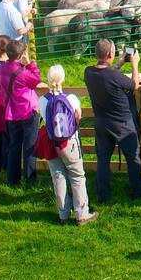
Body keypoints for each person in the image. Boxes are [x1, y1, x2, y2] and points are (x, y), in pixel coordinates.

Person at [84, 40, 141, 202]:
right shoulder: (113, 75)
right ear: (110, 54)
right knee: (132, 157)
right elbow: (134, 86)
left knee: (103, 159)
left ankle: (103, 194)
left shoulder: (88, 72)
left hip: (101, 122)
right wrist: (135, 65)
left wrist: (118, 63)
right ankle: (137, 190)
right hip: (122, 123)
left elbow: (108, 75)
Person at [40, 65, 98, 225]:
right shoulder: (71, 99)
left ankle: (63, 213)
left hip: (51, 141)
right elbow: (78, 116)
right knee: (77, 176)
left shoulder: (42, 101)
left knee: (58, 176)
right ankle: (82, 213)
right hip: (69, 142)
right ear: (63, 79)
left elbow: (42, 117)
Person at [0, 38, 41, 185]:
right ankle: (29, 178)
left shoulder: (1, 68)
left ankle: (12, 179)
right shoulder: (22, 72)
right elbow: (36, 80)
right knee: (29, 145)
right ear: (21, 54)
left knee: (14, 145)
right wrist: (30, 64)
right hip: (27, 111)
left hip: (11, 112)